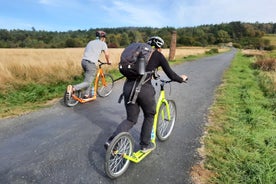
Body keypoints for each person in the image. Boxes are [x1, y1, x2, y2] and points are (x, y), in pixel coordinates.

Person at [105, 36, 188, 152]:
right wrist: (181, 79)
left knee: (130, 119)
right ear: (159, 47)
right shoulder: (157, 55)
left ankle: (111, 141)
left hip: (128, 87)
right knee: (150, 115)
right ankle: (145, 145)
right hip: (144, 89)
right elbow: (171, 75)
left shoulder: (137, 53)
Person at [67, 30, 110, 98]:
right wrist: (108, 62)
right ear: (103, 38)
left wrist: (96, 58)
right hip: (90, 64)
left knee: (88, 79)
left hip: (83, 62)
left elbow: (88, 52)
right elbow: (107, 54)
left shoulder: (90, 42)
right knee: (88, 82)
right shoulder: (103, 44)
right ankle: (73, 88)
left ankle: (86, 94)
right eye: (105, 38)